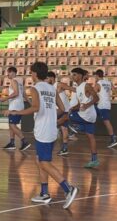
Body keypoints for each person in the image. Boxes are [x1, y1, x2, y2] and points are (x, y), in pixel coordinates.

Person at [6, 62, 78, 209]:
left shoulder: (35, 88)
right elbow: (63, 108)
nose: (30, 75)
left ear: (34, 73)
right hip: (51, 129)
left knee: (44, 163)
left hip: (43, 130)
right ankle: (44, 193)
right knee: (40, 160)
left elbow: (36, 107)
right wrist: (52, 116)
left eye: (31, 72)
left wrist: (15, 112)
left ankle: (68, 188)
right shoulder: (52, 88)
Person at [68, 68, 100, 168]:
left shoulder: (86, 86)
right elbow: (80, 103)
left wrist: (87, 105)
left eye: (75, 75)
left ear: (81, 76)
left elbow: (96, 98)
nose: (73, 77)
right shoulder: (78, 88)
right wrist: (73, 108)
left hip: (87, 115)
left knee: (66, 116)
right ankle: (94, 160)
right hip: (88, 116)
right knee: (91, 137)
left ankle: (77, 128)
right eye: (72, 75)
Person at [0, 66, 30, 151]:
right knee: (11, 125)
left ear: (12, 72)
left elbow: (16, 93)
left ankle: (24, 141)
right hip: (20, 105)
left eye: (8, 72)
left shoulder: (13, 81)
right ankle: (12, 143)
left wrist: (4, 98)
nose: (7, 74)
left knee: (12, 125)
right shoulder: (20, 82)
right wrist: (31, 103)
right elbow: (24, 94)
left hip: (15, 106)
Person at [93, 69, 117, 148]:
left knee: (106, 122)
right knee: (91, 116)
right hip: (107, 105)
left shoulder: (98, 84)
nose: (95, 78)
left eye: (95, 76)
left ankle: (113, 138)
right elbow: (115, 92)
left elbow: (92, 93)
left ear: (97, 76)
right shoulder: (108, 82)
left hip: (101, 105)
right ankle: (78, 127)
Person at [47, 72, 72, 156]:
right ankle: (64, 148)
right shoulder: (49, 87)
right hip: (59, 109)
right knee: (63, 129)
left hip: (62, 109)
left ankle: (73, 126)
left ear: (52, 78)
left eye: (48, 78)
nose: (46, 80)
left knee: (50, 124)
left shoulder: (59, 84)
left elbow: (71, 88)